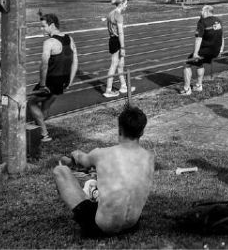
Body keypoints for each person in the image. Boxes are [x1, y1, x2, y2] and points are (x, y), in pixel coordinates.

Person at [53, 104, 154, 237]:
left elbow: (82, 160)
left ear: (120, 129)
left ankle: (92, 194)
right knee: (102, 182)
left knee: (60, 171)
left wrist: (74, 155)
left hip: (100, 228)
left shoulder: (101, 154)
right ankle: (94, 192)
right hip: (132, 226)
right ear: (142, 132)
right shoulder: (149, 157)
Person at [28, 13, 78, 142]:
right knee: (45, 107)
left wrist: (43, 85)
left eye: (43, 26)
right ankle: (37, 131)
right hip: (63, 81)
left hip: (51, 81)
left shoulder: (49, 42)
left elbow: (43, 65)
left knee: (31, 102)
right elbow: (75, 62)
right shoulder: (70, 39)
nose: (42, 29)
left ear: (52, 25)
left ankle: (44, 134)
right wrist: (69, 82)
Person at [180, 5, 224, 95]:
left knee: (187, 63)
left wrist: (195, 53)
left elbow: (198, 38)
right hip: (215, 50)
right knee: (200, 63)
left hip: (205, 50)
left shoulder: (202, 22)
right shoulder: (218, 20)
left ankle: (187, 89)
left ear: (206, 11)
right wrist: (221, 50)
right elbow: (222, 37)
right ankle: (199, 86)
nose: (201, 12)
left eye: (202, 11)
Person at [104, 0, 130, 98]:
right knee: (114, 65)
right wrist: (122, 48)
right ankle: (108, 90)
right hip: (117, 40)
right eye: (126, 4)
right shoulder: (119, 16)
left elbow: (110, 28)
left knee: (120, 64)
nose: (126, 6)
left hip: (111, 39)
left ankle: (123, 86)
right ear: (121, 4)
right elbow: (120, 32)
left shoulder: (110, 13)